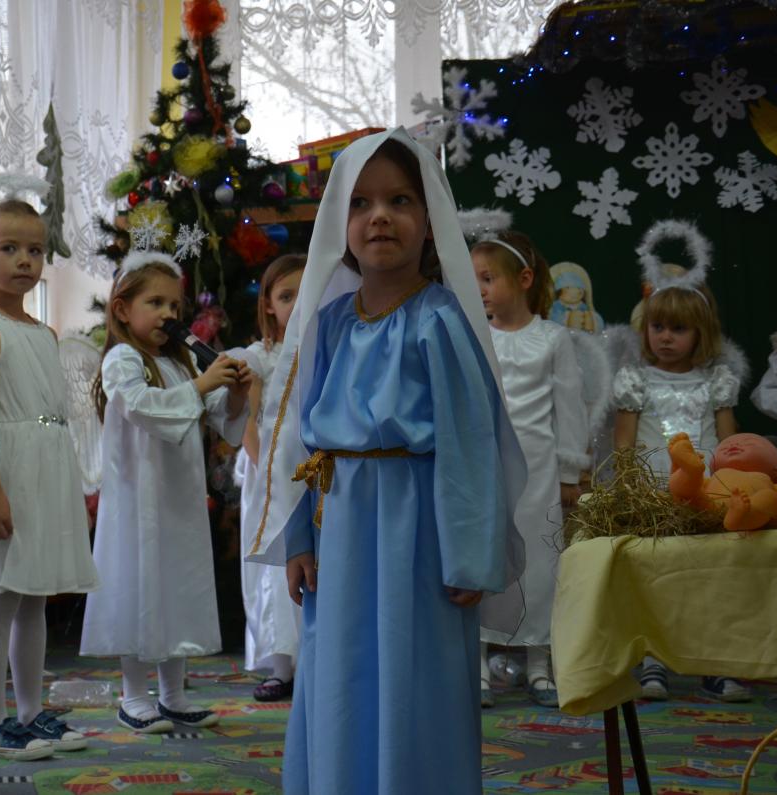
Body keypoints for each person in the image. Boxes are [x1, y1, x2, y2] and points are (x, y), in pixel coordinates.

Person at [249, 129, 526, 794]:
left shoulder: (440, 320)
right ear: (338, 223)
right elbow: (305, 444)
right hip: (339, 528)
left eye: (400, 200)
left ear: (429, 220)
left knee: (414, 673)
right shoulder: (330, 323)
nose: (380, 216)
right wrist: (298, 537)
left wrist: (471, 553)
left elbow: (469, 443)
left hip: (417, 532)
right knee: (339, 672)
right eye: (361, 202)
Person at [0, 200, 99, 759]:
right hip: (7, 476)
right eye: (9, 249)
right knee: (2, 603)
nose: (24, 260)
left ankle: (31, 713)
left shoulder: (45, 334)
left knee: (34, 601)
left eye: (34, 250)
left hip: (46, 475)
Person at [80, 251, 251, 734]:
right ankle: (134, 696)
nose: (168, 314)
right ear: (121, 309)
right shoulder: (122, 360)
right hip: (137, 501)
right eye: (155, 303)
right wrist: (201, 385)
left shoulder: (179, 363)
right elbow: (142, 407)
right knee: (138, 585)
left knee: (177, 585)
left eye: (174, 305)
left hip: (178, 500)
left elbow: (221, 418)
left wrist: (235, 392)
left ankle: (173, 695)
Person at [613, 279, 749, 702]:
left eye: (678, 328)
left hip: (705, 491)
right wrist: (628, 490)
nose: (665, 337)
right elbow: (624, 443)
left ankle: (713, 662)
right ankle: (654, 660)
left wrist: (731, 486)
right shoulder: (635, 379)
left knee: (710, 574)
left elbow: (729, 442)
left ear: (700, 333)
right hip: (654, 492)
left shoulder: (716, 382)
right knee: (658, 574)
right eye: (657, 327)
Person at [472, 231, 588, 708]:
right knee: (484, 560)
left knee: (541, 563)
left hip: (538, 473)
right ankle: (477, 665)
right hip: (487, 469)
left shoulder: (552, 339)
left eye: (487, 278)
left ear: (523, 279)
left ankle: (540, 665)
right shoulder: (476, 337)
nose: (479, 289)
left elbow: (569, 407)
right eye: (473, 280)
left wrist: (569, 472)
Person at [234, 254, 305, 701]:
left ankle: (314, 660)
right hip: (271, 474)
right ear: (268, 305)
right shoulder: (259, 357)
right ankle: (281, 664)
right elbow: (249, 418)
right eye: (286, 295)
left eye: (304, 292)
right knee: (275, 566)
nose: (296, 304)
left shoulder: (325, 348)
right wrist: (266, 469)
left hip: (313, 471)